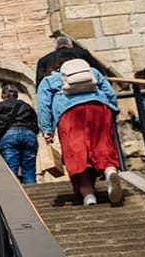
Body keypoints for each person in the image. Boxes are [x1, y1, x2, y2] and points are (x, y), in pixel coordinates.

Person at [37, 58, 124, 205]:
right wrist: (113, 110)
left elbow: (43, 106)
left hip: (69, 113)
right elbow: (110, 93)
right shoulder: (93, 72)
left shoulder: (49, 80)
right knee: (103, 145)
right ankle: (110, 172)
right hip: (98, 108)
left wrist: (47, 129)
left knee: (77, 153)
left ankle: (88, 195)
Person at [0, 83, 39, 185]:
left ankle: (15, 197)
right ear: (16, 95)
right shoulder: (26, 106)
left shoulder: (0, 105)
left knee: (11, 169)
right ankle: (33, 193)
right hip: (29, 135)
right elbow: (35, 123)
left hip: (10, 136)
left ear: (3, 95)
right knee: (29, 169)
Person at [34, 32, 109, 84]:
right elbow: (98, 72)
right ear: (71, 46)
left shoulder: (44, 60)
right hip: (87, 87)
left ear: (56, 47)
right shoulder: (82, 52)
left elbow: (40, 83)